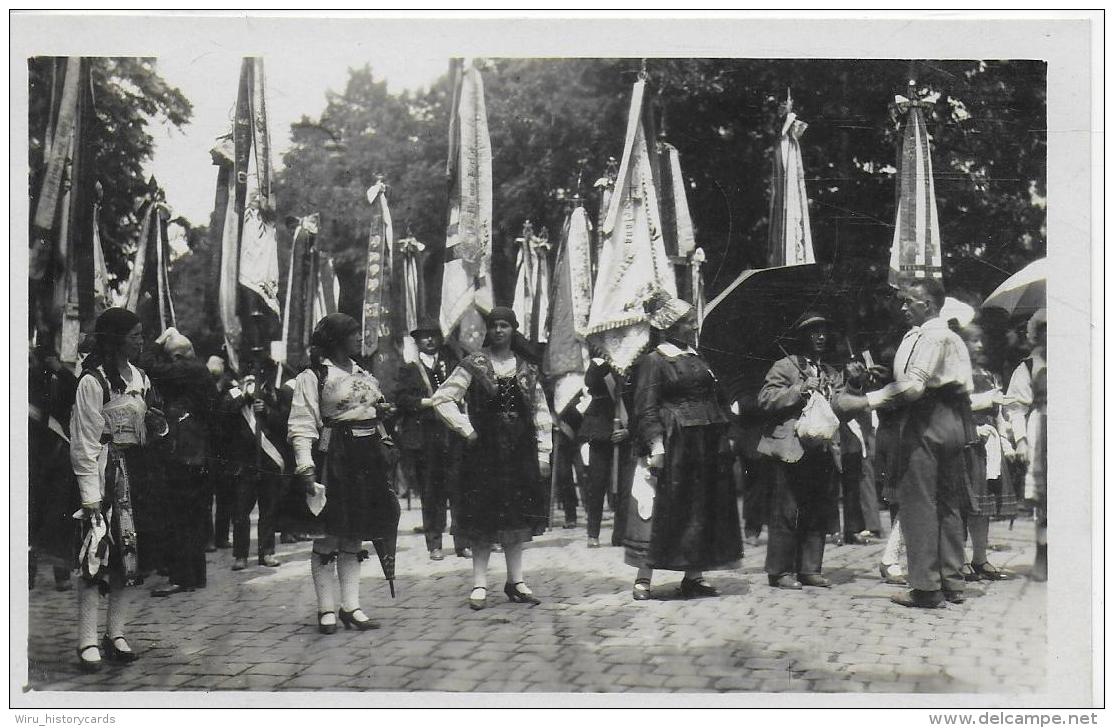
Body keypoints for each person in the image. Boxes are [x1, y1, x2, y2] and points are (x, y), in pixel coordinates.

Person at [839, 280, 982, 609]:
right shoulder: (949, 336)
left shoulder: (930, 335)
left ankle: (925, 587)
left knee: (918, 503)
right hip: (954, 421)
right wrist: (889, 378)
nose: (903, 307)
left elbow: (915, 387)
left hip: (926, 419)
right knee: (948, 501)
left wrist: (865, 402)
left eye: (910, 302)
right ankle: (952, 581)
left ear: (928, 305)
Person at [429, 307, 553, 610]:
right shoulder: (474, 364)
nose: (499, 331)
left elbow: (541, 413)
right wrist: (466, 429)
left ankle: (516, 581)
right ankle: (480, 584)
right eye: (494, 326)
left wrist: (544, 452)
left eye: (504, 326)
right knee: (482, 520)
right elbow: (442, 399)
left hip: (519, 453)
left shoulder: (527, 368)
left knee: (515, 519)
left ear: (513, 329)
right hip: (483, 455)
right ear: (488, 330)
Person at [621, 291, 742, 600]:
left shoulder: (698, 357)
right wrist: (656, 446)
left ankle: (693, 575)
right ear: (670, 326)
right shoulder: (654, 361)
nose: (694, 326)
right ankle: (643, 578)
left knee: (700, 508)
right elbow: (645, 407)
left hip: (705, 443)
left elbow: (714, 397)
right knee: (660, 508)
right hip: (674, 444)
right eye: (688, 322)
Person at [285, 313, 401, 634]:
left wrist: (383, 411)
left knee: (354, 533)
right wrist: (305, 465)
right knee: (328, 534)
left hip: (367, 460)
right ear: (336, 339)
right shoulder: (314, 376)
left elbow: (375, 408)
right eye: (352, 334)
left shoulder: (364, 372)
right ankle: (326, 609)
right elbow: (302, 423)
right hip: (335, 457)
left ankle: (351, 606)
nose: (358, 340)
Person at [69, 308, 163, 671]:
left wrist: (156, 423)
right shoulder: (92, 381)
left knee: (128, 555)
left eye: (142, 334)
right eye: (135, 335)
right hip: (104, 474)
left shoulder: (140, 376)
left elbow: (153, 422)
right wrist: (90, 496)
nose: (141, 341)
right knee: (96, 554)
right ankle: (87, 640)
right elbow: (85, 440)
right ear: (116, 338)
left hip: (136, 473)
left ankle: (116, 633)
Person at [757, 312, 845, 590]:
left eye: (823, 331)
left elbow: (841, 408)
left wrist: (850, 386)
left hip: (821, 448)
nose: (820, 336)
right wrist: (799, 388)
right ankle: (780, 571)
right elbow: (766, 400)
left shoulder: (831, 372)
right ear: (801, 336)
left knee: (817, 507)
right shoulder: (784, 366)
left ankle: (810, 568)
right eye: (813, 331)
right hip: (790, 448)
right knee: (786, 509)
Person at [144, 328, 217, 596]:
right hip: (197, 451)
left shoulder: (188, 369)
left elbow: (147, 365)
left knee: (178, 516)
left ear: (176, 356)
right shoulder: (198, 370)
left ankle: (180, 577)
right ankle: (194, 576)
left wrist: (158, 340)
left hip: (186, 452)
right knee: (193, 517)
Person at [394, 318, 463, 561]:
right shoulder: (410, 369)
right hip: (425, 436)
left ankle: (461, 541)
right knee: (431, 491)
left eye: (434, 335)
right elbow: (401, 399)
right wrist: (426, 402)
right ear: (417, 341)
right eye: (424, 336)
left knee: (457, 488)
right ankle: (434, 543)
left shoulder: (452, 365)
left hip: (451, 434)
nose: (430, 340)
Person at [961, 324, 1017, 581]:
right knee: (965, 503)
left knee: (983, 506)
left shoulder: (990, 375)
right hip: (968, 442)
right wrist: (974, 423)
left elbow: (998, 414)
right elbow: (958, 407)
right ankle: (959, 559)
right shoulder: (958, 374)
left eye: (981, 341)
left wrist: (1006, 442)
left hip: (989, 443)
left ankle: (980, 558)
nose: (979, 346)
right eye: (973, 341)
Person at [224, 360, 285, 571]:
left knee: (268, 509)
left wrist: (266, 409)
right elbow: (224, 414)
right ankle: (240, 555)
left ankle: (266, 552)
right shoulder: (233, 393)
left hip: (267, 460)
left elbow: (282, 423)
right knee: (241, 511)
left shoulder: (271, 393)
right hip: (244, 461)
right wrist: (244, 398)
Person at [29, 344, 78, 592]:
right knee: (39, 517)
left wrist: (59, 369)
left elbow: (73, 389)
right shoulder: (31, 380)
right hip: (37, 457)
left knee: (54, 515)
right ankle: (32, 573)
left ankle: (58, 573)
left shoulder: (58, 380)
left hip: (55, 454)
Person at [1006, 309, 1047, 582]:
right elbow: (1015, 406)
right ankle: (1044, 556)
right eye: (1045, 329)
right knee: (1045, 499)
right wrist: (1020, 440)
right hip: (1042, 430)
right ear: (1037, 334)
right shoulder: (1028, 366)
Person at [579, 357, 633, 549]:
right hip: (600, 429)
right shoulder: (599, 364)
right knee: (597, 483)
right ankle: (593, 533)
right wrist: (606, 363)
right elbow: (590, 381)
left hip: (626, 429)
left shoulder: (635, 361)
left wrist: (629, 430)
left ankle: (620, 534)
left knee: (624, 486)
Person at [838, 361, 883, 545]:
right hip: (850, 431)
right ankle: (853, 528)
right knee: (853, 482)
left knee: (865, 479)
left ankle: (870, 525)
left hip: (865, 431)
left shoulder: (869, 381)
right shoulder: (844, 385)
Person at [205, 355, 235, 552]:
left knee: (225, 496)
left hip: (226, 447)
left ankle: (221, 536)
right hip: (207, 447)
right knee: (207, 497)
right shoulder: (203, 385)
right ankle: (208, 539)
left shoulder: (231, 387)